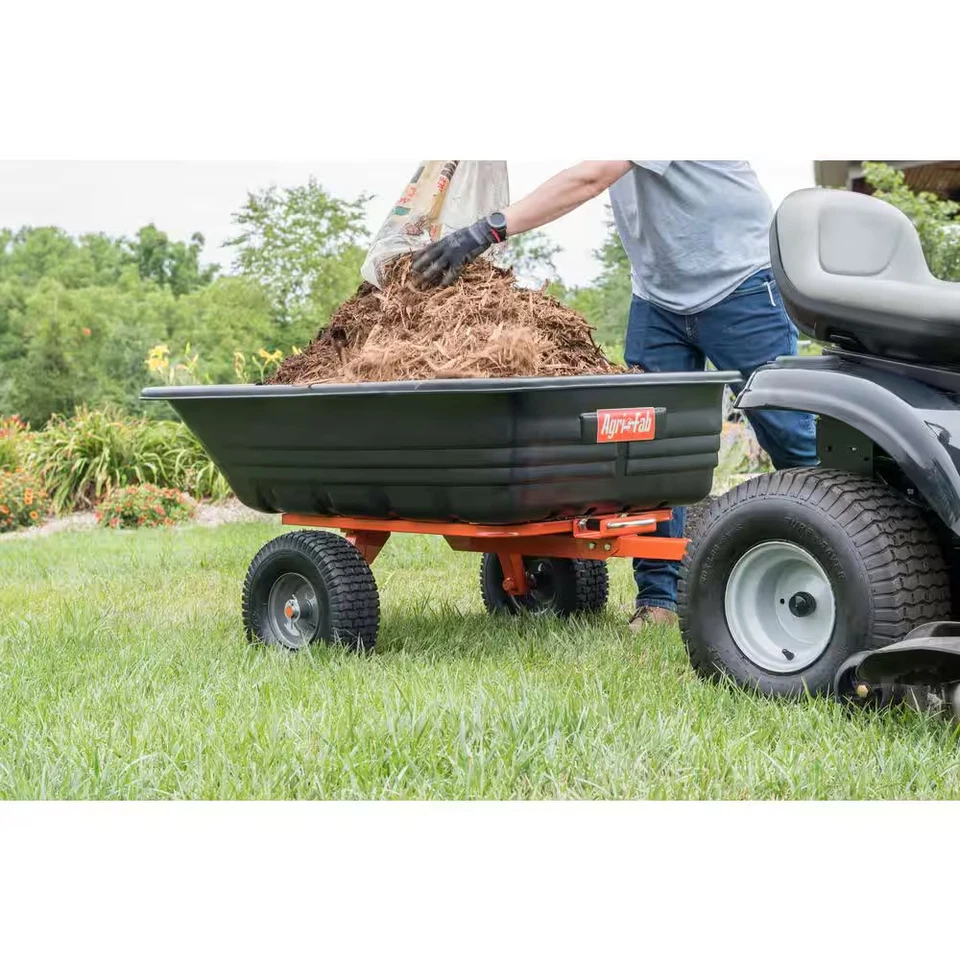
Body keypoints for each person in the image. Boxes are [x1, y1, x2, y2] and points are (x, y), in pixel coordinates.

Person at [411, 161, 818, 630]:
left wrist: (486, 230)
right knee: (649, 454)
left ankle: (857, 560)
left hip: (741, 286)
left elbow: (589, 177)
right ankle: (660, 600)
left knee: (791, 437)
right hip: (659, 301)